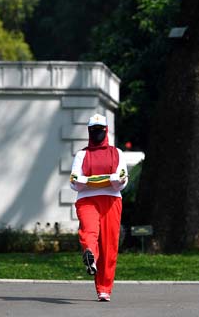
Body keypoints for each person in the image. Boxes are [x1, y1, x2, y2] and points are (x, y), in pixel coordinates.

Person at [69, 113, 128, 302]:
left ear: (106, 130)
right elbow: (74, 181)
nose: (97, 133)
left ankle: (104, 289)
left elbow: (122, 180)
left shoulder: (116, 153)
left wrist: (95, 181)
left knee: (110, 244)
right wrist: (107, 180)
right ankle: (90, 257)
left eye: (100, 130)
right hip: (87, 200)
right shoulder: (82, 154)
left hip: (111, 201)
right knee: (89, 231)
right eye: (93, 130)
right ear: (89, 132)